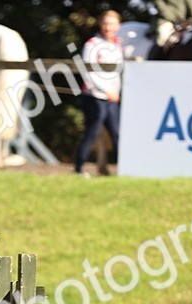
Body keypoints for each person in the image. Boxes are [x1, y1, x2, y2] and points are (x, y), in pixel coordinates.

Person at [73, 10, 123, 178]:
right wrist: (106, 91)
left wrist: (115, 92)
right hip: (94, 97)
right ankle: (79, 168)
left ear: (118, 26)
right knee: (92, 133)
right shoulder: (92, 44)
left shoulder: (118, 46)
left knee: (117, 134)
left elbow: (117, 74)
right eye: (105, 23)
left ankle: (124, 169)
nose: (108, 27)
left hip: (112, 99)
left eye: (112, 24)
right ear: (101, 25)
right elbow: (88, 72)